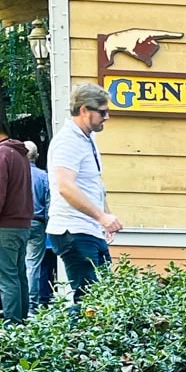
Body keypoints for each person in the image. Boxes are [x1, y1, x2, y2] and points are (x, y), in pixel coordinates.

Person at [47, 83, 122, 300]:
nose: (107, 116)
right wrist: (101, 216)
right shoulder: (67, 141)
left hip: (89, 228)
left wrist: (104, 217)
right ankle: (74, 334)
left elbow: (94, 183)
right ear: (83, 111)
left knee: (103, 296)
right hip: (72, 229)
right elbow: (65, 187)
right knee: (88, 298)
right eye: (102, 111)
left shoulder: (87, 138)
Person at [0, 113, 33, 323]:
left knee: (6, 277)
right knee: (19, 275)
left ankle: (12, 329)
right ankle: (22, 324)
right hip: (22, 224)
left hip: (5, 227)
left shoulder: (2, 154)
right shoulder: (19, 154)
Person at [24, 141, 57, 311]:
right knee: (33, 266)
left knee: (11, 266)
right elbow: (50, 203)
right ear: (37, 157)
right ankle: (31, 306)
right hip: (37, 223)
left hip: (14, 224)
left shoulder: (13, 175)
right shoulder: (44, 177)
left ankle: (13, 306)